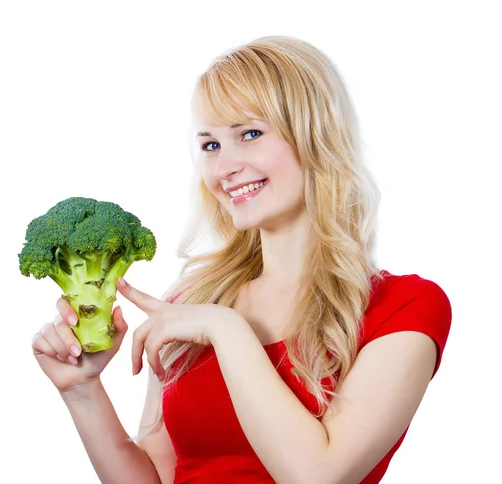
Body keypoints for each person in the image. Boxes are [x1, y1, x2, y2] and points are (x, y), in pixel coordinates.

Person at [31, 35, 452, 483]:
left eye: (249, 134)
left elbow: (320, 476)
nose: (224, 167)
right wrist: (82, 390)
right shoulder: (195, 299)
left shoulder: (405, 307)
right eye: (210, 145)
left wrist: (226, 329)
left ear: (315, 136)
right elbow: (158, 476)